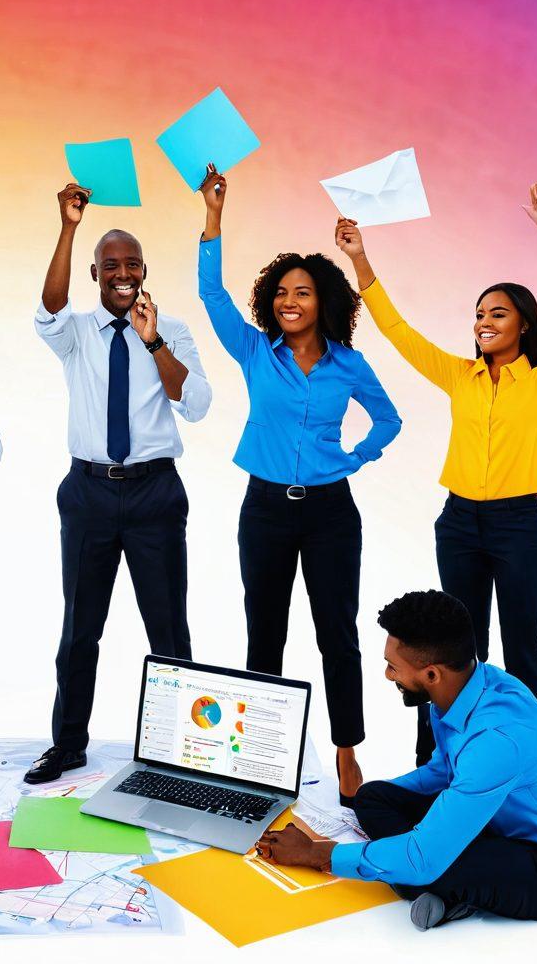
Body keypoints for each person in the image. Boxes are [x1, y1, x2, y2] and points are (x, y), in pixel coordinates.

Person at [336, 183, 537, 764]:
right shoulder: (459, 376)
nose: (483, 322)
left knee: (523, 651)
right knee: (451, 656)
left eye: (497, 313)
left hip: (519, 526)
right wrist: (360, 259)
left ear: (524, 325)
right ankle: (436, 765)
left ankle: (532, 766)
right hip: (460, 524)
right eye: (478, 314)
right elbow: (398, 332)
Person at [197, 165, 401, 802]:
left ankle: (346, 752)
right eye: (282, 292)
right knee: (266, 632)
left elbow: (389, 419)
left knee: (337, 633)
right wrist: (213, 214)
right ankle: (261, 758)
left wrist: (354, 458)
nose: (289, 301)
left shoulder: (349, 364)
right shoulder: (256, 352)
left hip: (330, 514)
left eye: (303, 292)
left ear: (324, 302)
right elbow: (211, 295)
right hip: (264, 511)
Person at [255, 590, 537, 930]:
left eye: (393, 666)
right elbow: (442, 772)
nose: (388, 675)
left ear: (431, 675)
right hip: (492, 821)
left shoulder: (496, 740)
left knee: (426, 864)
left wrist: (317, 853)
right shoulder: (466, 689)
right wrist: (379, 802)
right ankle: (425, 875)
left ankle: (428, 881)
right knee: (370, 798)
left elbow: (424, 856)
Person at [25, 182, 212, 786]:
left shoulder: (170, 329)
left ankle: (181, 752)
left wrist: (152, 340)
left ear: (144, 271)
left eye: (132, 264)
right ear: (95, 274)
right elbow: (48, 307)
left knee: (169, 629)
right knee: (80, 627)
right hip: (89, 493)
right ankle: (68, 744)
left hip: (155, 492)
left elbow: (196, 404)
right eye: (110, 266)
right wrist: (69, 225)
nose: (122, 274)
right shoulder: (76, 332)